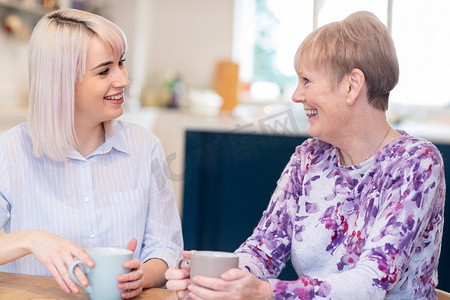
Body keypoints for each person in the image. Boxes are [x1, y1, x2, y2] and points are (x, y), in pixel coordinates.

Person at [165, 11, 446, 299]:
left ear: (351, 86)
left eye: (307, 81)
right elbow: (263, 250)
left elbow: (372, 282)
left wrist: (265, 293)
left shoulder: (416, 163)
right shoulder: (309, 157)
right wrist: (214, 279)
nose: (296, 95)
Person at [0, 8, 183, 299]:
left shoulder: (145, 147)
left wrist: (141, 276)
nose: (123, 80)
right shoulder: (8, 152)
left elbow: (166, 247)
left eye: (121, 64)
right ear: (59, 82)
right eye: (104, 71)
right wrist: (31, 240)